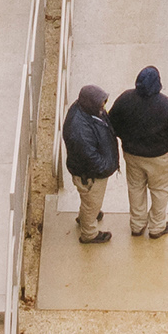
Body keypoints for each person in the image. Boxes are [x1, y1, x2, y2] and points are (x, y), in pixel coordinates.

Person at [108, 64, 168, 238]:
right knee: (159, 191)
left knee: (135, 188)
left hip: (132, 155)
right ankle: (157, 227)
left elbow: (111, 124)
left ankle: (137, 225)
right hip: (160, 158)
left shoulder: (125, 99)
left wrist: (125, 138)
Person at [61, 85, 120, 243]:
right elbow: (91, 159)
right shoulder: (79, 130)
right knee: (92, 203)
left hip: (88, 173)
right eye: (101, 103)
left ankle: (85, 217)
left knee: (88, 201)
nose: (103, 107)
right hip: (90, 176)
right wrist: (107, 167)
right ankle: (89, 234)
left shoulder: (86, 110)